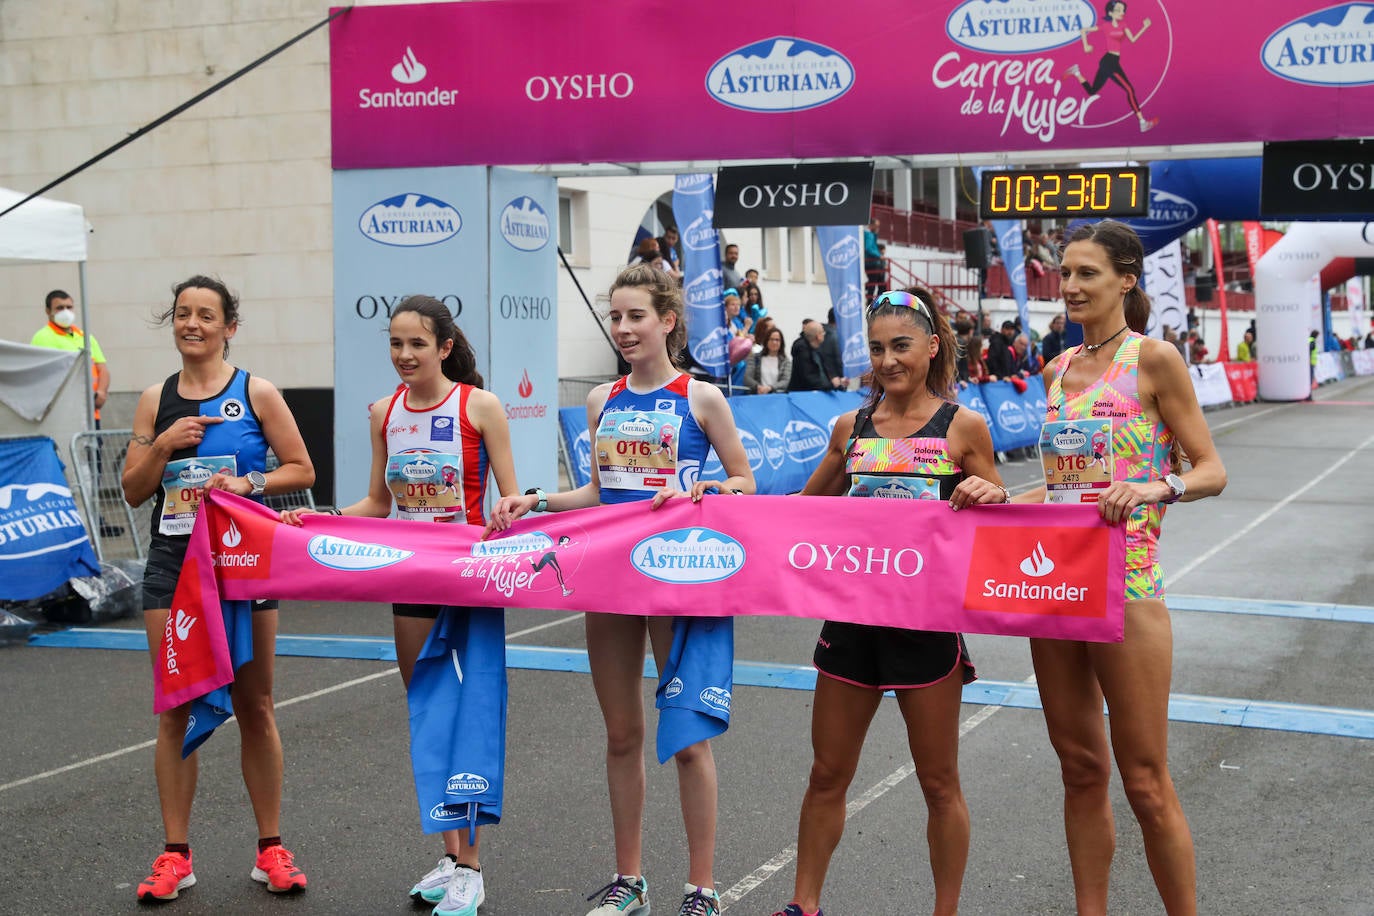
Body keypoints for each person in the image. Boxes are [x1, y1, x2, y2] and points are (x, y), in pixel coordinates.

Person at [484, 264, 756, 916]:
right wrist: (537, 500)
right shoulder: (601, 399)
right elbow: (599, 493)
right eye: (615, 317)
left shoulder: (701, 397)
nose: (624, 328)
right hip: (610, 576)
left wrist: (705, 490)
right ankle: (630, 880)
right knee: (621, 735)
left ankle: (702, 889)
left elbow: (744, 481)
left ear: (667, 320)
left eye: (636, 316)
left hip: (673, 575)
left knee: (688, 738)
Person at [768, 288, 1009, 916]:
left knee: (938, 783)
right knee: (827, 773)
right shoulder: (850, 428)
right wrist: (723, 499)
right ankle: (804, 905)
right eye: (877, 348)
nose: (888, 360)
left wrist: (987, 493)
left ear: (931, 348)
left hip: (926, 627)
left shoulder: (963, 426)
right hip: (851, 624)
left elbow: (1002, 514)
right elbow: (799, 513)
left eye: (901, 346)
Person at [279, 295, 519, 916]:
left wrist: (506, 511)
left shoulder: (479, 406)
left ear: (444, 347)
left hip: (466, 577)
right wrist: (322, 516)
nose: (404, 355)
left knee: (468, 712)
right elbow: (377, 505)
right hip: (408, 580)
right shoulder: (383, 411)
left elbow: (510, 497)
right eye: (395, 343)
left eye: (416, 343)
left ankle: (473, 865)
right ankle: (449, 855)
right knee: (428, 710)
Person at [1016, 219, 1226, 916]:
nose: (1070, 286)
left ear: (1126, 280)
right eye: (1065, 273)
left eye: (1086, 274)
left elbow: (1212, 470)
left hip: (1128, 586)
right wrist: (1001, 496)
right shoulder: (1053, 371)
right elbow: (1062, 483)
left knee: (1144, 780)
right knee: (1080, 771)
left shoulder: (1153, 360)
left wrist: (1155, 486)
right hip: (1055, 590)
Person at [121, 276, 315, 902]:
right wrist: (166, 447)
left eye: (207, 315)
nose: (193, 324)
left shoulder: (255, 391)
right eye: (183, 314)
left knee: (256, 704)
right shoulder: (155, 400)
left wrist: (248, 485)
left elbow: (301, 468)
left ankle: (271, 849)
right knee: (175, 707)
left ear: (230, 326)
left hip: (243, 564)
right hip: (172, 567)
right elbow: (131, 488)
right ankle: (175, 854)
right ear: (172, 323)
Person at [1062, 0, 1159, 133]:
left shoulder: (1124, 25)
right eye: (1118, 10)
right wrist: (1086, 46)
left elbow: (1133, 39)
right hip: (1109, 62)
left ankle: (1077, 72)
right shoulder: (1105, 26)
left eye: (1123, 10)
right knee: (1129, 90)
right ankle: (1142, 122)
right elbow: (1083, 30)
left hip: (1112, 61)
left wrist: (1145, 27)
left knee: (1092, 91)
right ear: (1110, 13)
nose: (1122, 13)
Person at [31, 289, 112, 426]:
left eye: (69, 307)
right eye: (59, 308)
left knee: (95, 446)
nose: (65, 312)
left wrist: (101, 393)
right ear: (48, 311)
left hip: (90, 411)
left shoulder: (85, 337)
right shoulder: (42, 337)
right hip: (64, 412)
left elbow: (102, 369)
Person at [788, 321, 842, 392]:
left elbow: (826, 371)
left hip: (818, 392)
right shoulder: (801, 350)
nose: (824, 334)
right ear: (818, 336)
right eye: (823, 332)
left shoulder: (818, 349)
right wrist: (831, 385)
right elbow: (809, 377)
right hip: (803, 395)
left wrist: (838, 383)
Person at [743, 326, 791, 394]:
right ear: (766, 341)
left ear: (781, 343)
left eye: (777, 340)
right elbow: (747, 378)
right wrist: (758, 387)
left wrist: (770, 388)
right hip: (757, 396)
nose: (774, 342)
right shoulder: (754, 358)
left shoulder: (786, 361)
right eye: (771, 339)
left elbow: (785, 381)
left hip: (777, 398)